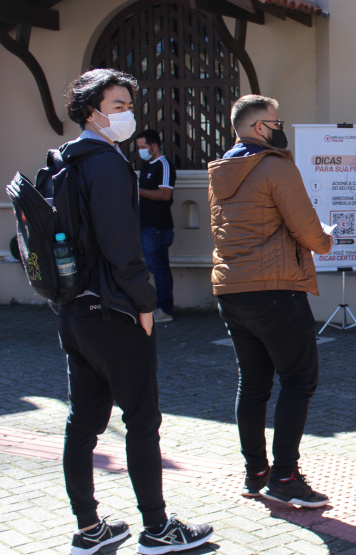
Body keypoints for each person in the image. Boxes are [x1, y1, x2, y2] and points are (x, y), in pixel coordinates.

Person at [58, 69, 212, 555]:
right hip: (114, 310)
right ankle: (158, 528)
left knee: (83, 423)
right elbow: (122, 246)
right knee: (142, 420)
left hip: (74, 309)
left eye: (129, 105)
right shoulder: (106, 163)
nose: (127, 114)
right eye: (118, 105)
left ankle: (89, 529)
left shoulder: (64, 160)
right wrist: (144, 303)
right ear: (92, 112)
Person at [208, 94, 334, 506]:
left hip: (232, 289)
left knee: (253, 382)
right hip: (276, 289)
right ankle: (285, 477)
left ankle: (256, 471)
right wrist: (325, 241)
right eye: (277, 122)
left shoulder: (221, 171)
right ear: (260, 127)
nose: (281, 128)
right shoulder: (275, 165)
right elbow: (306, 227)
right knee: (299, 380)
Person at [135, 129, 176, 323]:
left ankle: (165, 309)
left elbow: (164, 194)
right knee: (153, 267)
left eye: (143, 147)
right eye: (138, 147)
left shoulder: (164, 165)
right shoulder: (146, 166)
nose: (140, 151)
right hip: (146, 225)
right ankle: (157, 306)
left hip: (158, 226)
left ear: (154, 146)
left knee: (160, 268)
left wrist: (137, 190)